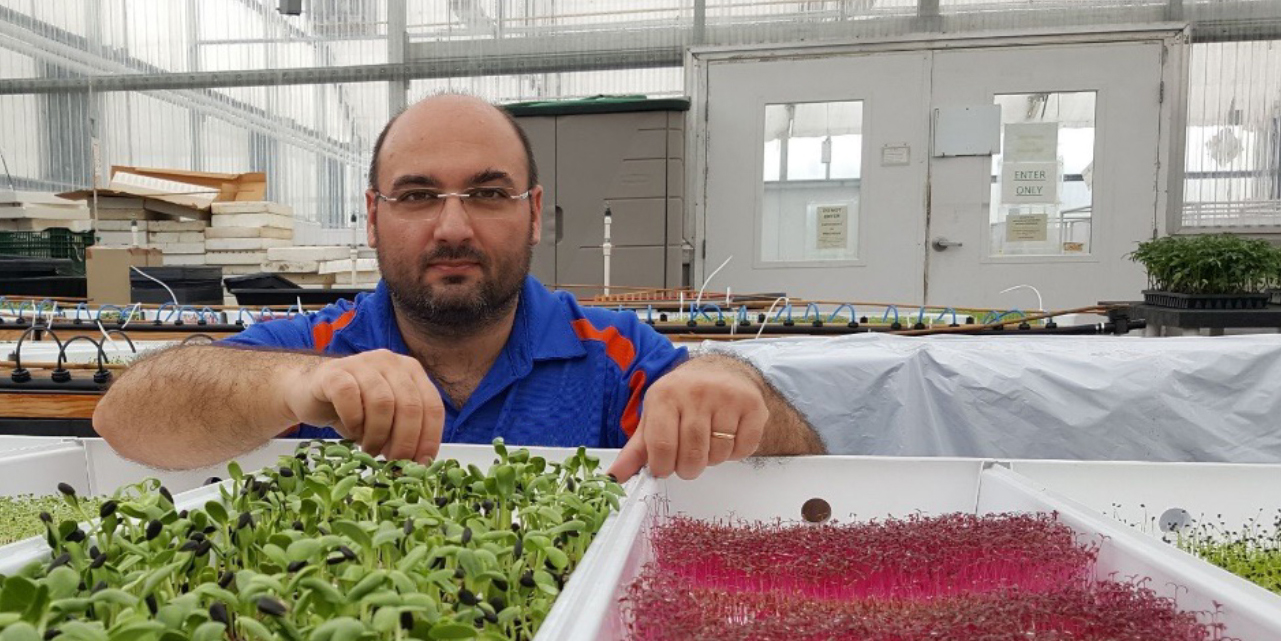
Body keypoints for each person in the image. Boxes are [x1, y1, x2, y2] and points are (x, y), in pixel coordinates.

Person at [93, 94, 824, 481]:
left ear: (533, 215)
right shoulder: (320, 349)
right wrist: (298, 385)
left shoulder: (612, 355)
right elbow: (124, 420)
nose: (451, 227)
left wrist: (735, 388)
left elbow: (806, 475)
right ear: (373, 220)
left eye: (486, 192)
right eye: (415, 196)